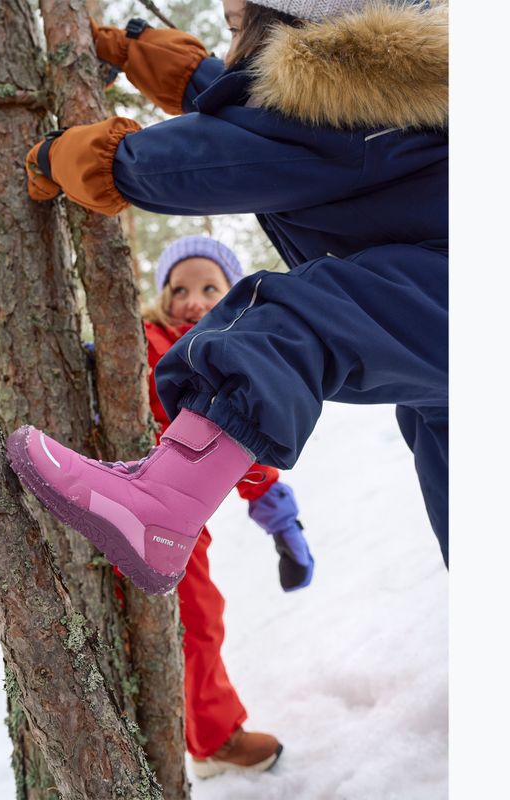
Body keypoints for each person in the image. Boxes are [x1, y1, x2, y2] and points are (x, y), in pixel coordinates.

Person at [8, 0, 448, 597]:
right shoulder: (388, 94)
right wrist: (138, 51)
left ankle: (164, 505)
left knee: (293, 322)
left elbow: (212, 155)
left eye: (239, 25)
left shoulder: (342, 113)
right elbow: (247, 109)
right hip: (439, 336)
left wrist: (64, 156)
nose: (231, 40)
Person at [140, 234, 313, 775]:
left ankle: (204, 737)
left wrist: (283, 525)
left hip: (179, 521)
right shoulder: (145, 340)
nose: (192, 301)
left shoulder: (229, 360)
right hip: (131, 498)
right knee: (191, 620)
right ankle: (209, 738)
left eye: (209, 289)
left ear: (230, 296)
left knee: (199, 618)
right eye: (179, 289)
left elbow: (243, 449)